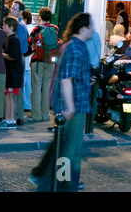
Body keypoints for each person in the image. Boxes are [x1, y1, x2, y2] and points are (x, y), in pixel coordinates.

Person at [30, 12, 93, 192]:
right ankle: (61, 185)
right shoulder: (75, 47)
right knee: (70, 153)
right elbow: (66, 79)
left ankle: (61, 183)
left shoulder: (69, 46)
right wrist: (70, 107)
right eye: (91, 26)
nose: (93, 30)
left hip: (70, 105)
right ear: (83, 28)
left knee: (65, 151)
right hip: (74, 106)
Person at [28, 7, 61, 122]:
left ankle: (36, 115)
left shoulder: (36, 29)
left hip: (37, 61)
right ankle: (45, 115)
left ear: (40, 17)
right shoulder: (55, 28)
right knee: (46, 88)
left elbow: (30, 41)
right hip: (50, 61)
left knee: (36, 88)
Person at [0, 16, 23, 129]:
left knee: (8, 96)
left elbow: (13, 56)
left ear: (11, 27)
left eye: (5, 25)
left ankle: (9, 119)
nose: (3, 26)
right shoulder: (13, 39)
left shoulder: (13, 40)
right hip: (14, 73)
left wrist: (1, 54)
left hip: (11, 73)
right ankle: (11, 119)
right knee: (10, 96)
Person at [10, 1, 29, 125]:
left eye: (15, 9)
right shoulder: (19, 24)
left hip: (17, 59)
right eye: (12, 8)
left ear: (21, 12)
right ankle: (17, 114)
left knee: (18, 87)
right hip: (18, 58)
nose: (12, 10)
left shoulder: (20, 26)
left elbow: (21, 47)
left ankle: (18, 115)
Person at [22, 11, 35, 112]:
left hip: (25, 60)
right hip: (32, 60)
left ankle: (25, 105)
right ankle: (29, 105)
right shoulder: (34, 29)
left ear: (25, 19)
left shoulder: (25, 29)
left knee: (24, 84)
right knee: (30, 85)